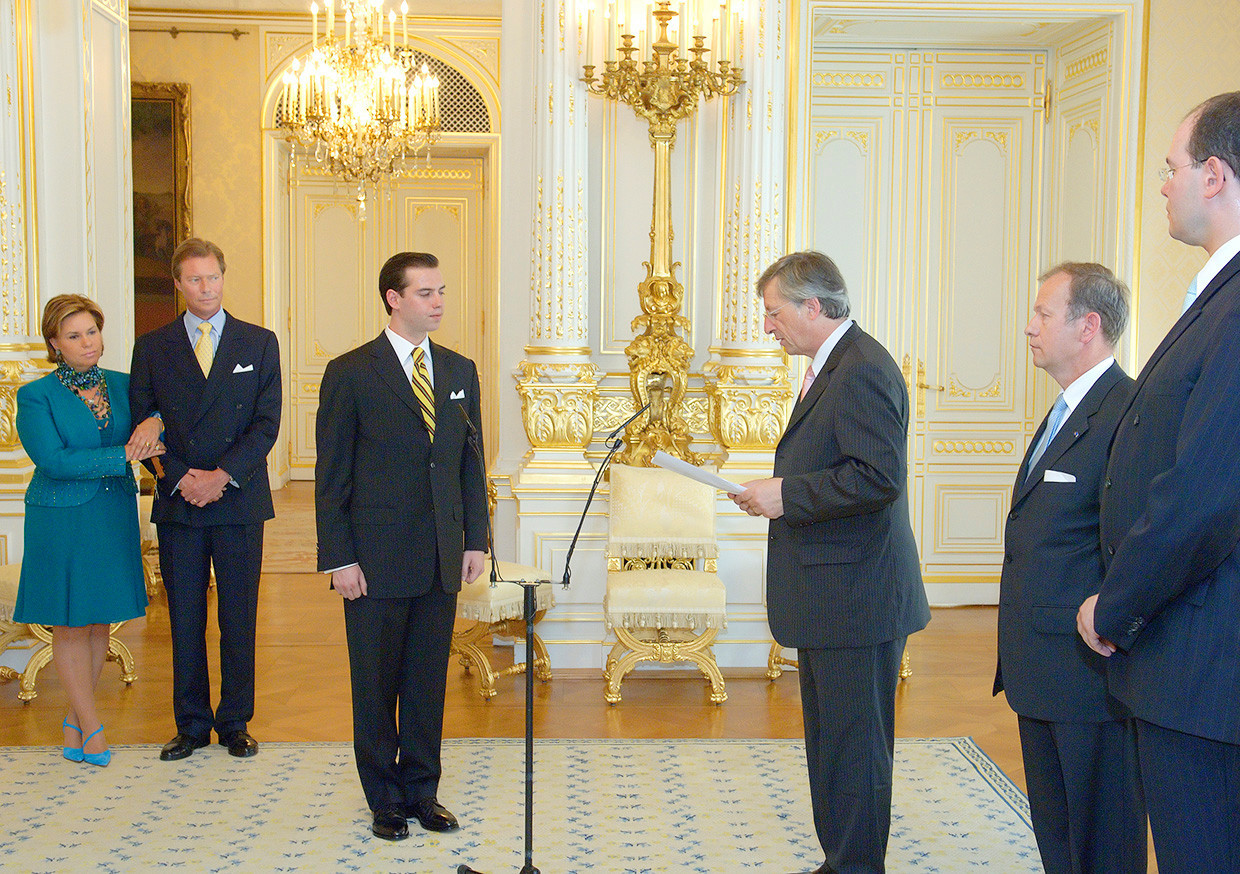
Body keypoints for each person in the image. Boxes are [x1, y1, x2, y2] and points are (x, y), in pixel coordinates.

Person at [1076, 91, 1240, 871]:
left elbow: (1204, 496)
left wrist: (1117, 603)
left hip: (1206, 667)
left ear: (1214, 175)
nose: (1163, 184)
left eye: (1172, 167)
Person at [732, 251, 930, 874]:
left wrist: (784, 494)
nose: (767, 327)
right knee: (833, 745)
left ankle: (855, 865)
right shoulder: (834, 364)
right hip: (832, 594)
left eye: (773, 312)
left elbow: (876, 480)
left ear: (812, 307)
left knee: (855, 749)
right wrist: (778, 491)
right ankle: (840, 860)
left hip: (857, 598)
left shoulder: (862, 369)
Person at [315, 251, 487, 841]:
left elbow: (471, 464)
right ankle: (383, 800)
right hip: (372, 559)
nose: (438, 302)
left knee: (425, 682)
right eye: (425, 293)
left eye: (441, 291)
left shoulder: (460, 370)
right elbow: (332, 475)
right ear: (393, 297)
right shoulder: (351, 371)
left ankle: (423, 792)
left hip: (441, 554)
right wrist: (339, 557)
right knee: (375, 683)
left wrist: (476, 542)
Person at [995, 264, 1145, 874]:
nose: (1029, 327)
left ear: (1089, 326)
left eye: (1043, 315)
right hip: (1042, 668)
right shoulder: (1066, 408)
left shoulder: (1126, 411)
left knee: (1102, 843)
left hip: (1089, 674)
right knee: (1059, 837)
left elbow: (1133, 539)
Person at [130, 238, 281, 762]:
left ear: (223, 276)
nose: (205, 287)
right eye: (194, 279)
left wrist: (221, 476)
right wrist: (181, 477)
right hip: (179, 501)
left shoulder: (259, 343)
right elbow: (143, 420)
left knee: (239, 617)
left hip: (237, 498)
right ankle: (191, 724)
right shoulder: (152, 346)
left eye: (212, 277)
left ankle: (235, 721)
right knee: (185, 618)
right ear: (178, 284)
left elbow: (266, 426)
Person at [13, 294, 164, 766]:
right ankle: (91, 726)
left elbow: (160, 415)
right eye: (73, 336)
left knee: (100, 618)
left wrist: (155, 418)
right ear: (54, 343)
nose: (87, 343)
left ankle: (77, 719)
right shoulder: (36, 395)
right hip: (61, 519)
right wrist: (121, 455)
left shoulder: (125, 384)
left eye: (92, 332)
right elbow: (53, 461)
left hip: (113, 513)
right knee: (72, 623)